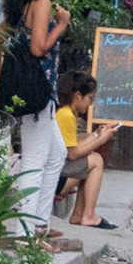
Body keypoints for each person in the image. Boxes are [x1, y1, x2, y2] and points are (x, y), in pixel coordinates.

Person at [0, 0, 73, 246]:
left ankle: (38, 224)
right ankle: (24, 235)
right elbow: (39, 48)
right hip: (38, 92)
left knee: (57, 154)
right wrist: (61, 25)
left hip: (34, 92)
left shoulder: (20, 3)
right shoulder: (42, 3)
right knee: (35, 161)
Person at [54, 72, 120, 229]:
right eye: (90, 98)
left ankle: (79, 214)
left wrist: (97, 134)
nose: (91, 104)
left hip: (57, 172)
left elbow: (75, 146)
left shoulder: (65, 112)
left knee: (92, 158)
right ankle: (88, 215)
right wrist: (101, 140)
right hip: (56, 178)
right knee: (96, 160)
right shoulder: (66, 116)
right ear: (77, 95)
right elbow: (73, 153)